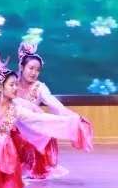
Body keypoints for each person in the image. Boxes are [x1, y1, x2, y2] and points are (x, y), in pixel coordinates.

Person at [0, 71, 93, 188]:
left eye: (16, 84)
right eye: (11, 85)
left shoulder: (16, 109)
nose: (15, 88)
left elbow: (40, 119)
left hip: (6, 154)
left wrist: (73, 121)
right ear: (1, 87)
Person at [14, 43, 92, 179]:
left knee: (45, 128)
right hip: (13, 126)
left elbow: (55, 105)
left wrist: (73, 116)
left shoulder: (39, 87)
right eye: (31, 68)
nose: (34, 73)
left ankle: (34, 164)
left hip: (32, 128)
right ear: (21, 67)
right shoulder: (11, 83)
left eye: (37, 70)